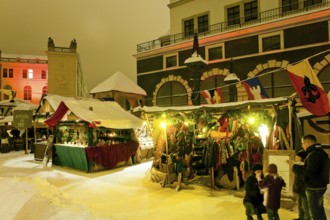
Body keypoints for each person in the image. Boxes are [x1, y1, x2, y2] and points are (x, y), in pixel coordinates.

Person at [302, 134, 329, 220]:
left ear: (308, 143)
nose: (302, 146)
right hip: (320, 187)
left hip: (314, 189)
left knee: (315, 213)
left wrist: (295, 167)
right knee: (319, 212)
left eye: (303, 143)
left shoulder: (313, 154)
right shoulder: (320, 152)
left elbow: (310, 173)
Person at [287, 150, 311, 220]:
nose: (296, 159)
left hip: (304, 189)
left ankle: (307, 218)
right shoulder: (298, 165)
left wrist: (293, 166)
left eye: (298, 157)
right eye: (296, 157)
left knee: (305, 206)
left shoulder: (304, 166)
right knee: (300, 205)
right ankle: (301, 217)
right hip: (299, 188)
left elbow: (301, 175)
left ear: (303, 158)